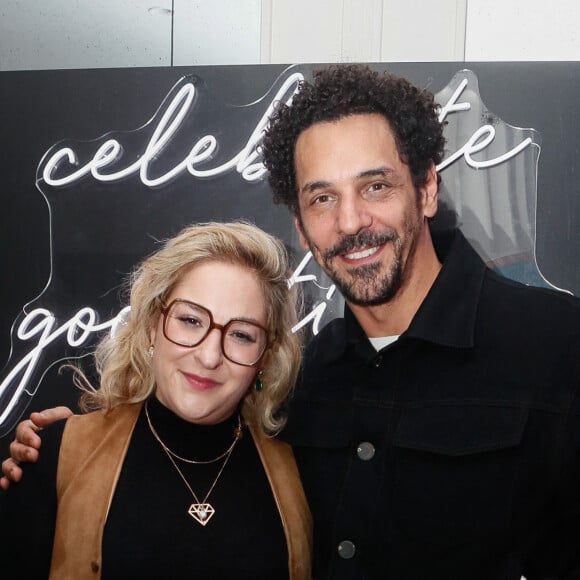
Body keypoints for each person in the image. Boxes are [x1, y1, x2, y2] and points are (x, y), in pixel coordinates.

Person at [4, 64, 580, 579]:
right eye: (321, 198)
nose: (351, 222)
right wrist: (63, 449)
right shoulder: (309, 383)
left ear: (426, 187)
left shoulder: (558, 347)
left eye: (375, 186)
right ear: (302, 228)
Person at [0, 221, 311, 579]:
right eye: (191, 320)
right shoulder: (53, 455)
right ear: (152, 325)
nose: (209, 357)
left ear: (265, 357)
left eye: (241, 335)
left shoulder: (301, 473)